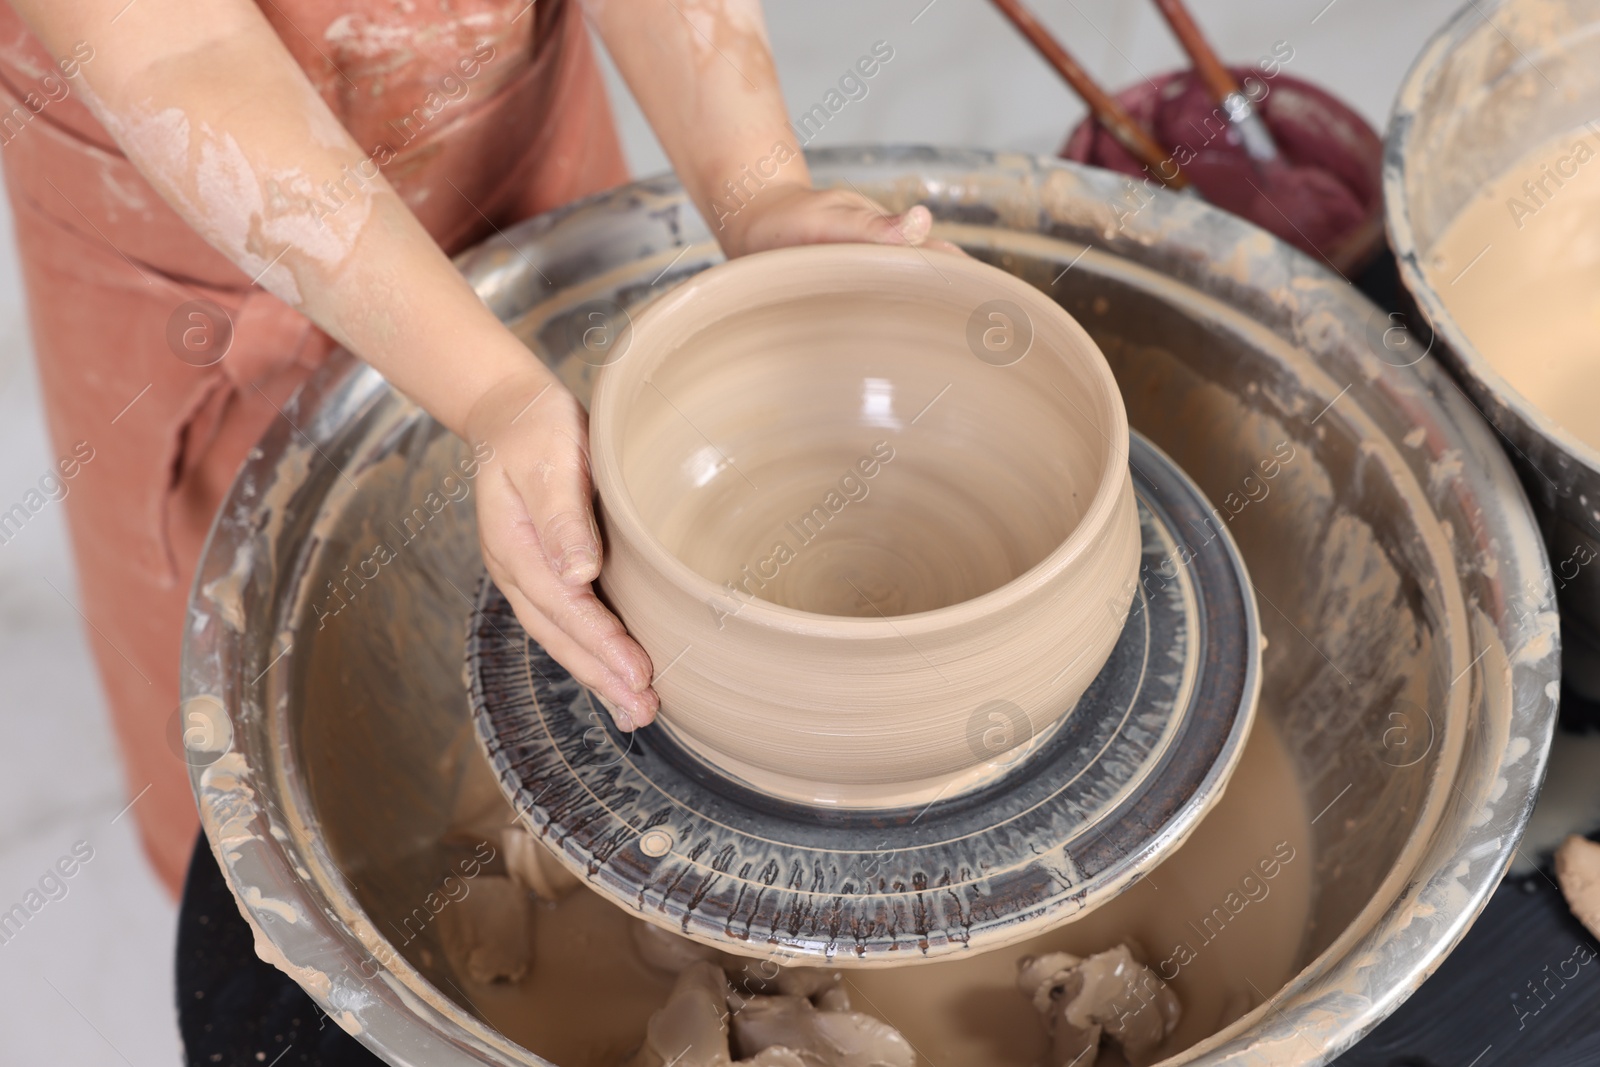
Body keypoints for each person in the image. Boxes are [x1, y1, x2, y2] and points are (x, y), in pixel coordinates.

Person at [0, 0, 947, 895]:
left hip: (500, 133)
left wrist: (759, 189)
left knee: (580, 662)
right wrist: (497, 393)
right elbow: (181, 55)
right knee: (282, 753)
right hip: (186, 218)